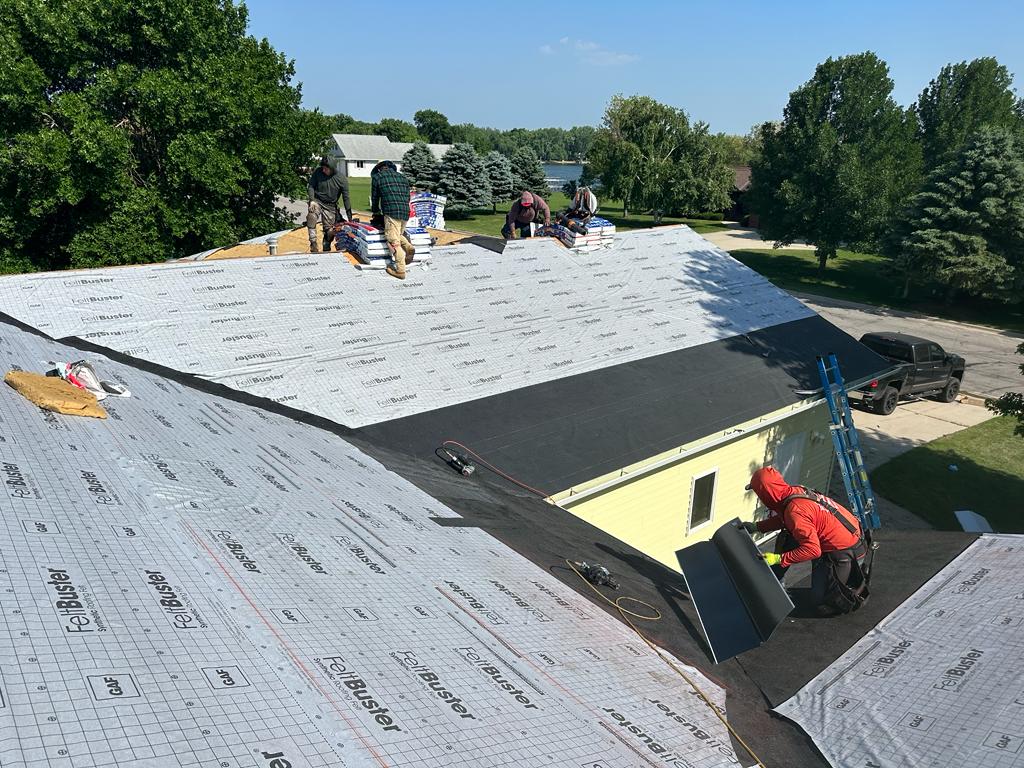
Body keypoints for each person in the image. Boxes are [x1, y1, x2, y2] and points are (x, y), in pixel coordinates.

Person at [741, 466, 870, 614]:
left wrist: (779, 558)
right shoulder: (794, 492)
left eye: (759, 493)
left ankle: (850, 581)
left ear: (766, 492)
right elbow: (786, 520)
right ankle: (780, 578)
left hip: (847, 551)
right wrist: (757, 527)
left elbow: (812, 550)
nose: (759, 497)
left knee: (820, 601)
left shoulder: (795, 510)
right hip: (850, 535)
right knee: (790, 536)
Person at [370, 161, 415, 280]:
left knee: (392, 241)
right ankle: (409, 246)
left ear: (380, 169)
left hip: (391, 212)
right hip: (405, 211)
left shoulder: (377, 177)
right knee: (397, 234)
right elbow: (408, 197)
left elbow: (375, 197)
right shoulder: (403, 178)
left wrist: (376, 212)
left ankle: (400, 270)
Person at [306, 157, 353, 253]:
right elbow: (311, 186)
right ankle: (313, 242)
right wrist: (312, 200)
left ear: (332, 169)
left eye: (326, 169)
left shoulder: (341, 179)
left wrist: (350, 217)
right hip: (317, 201)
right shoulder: (318, 172)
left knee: (329, 231)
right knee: (311, 215)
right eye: (322, 168)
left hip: (331, 206)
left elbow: (346, 198)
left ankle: (326, 247)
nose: (323, 170)